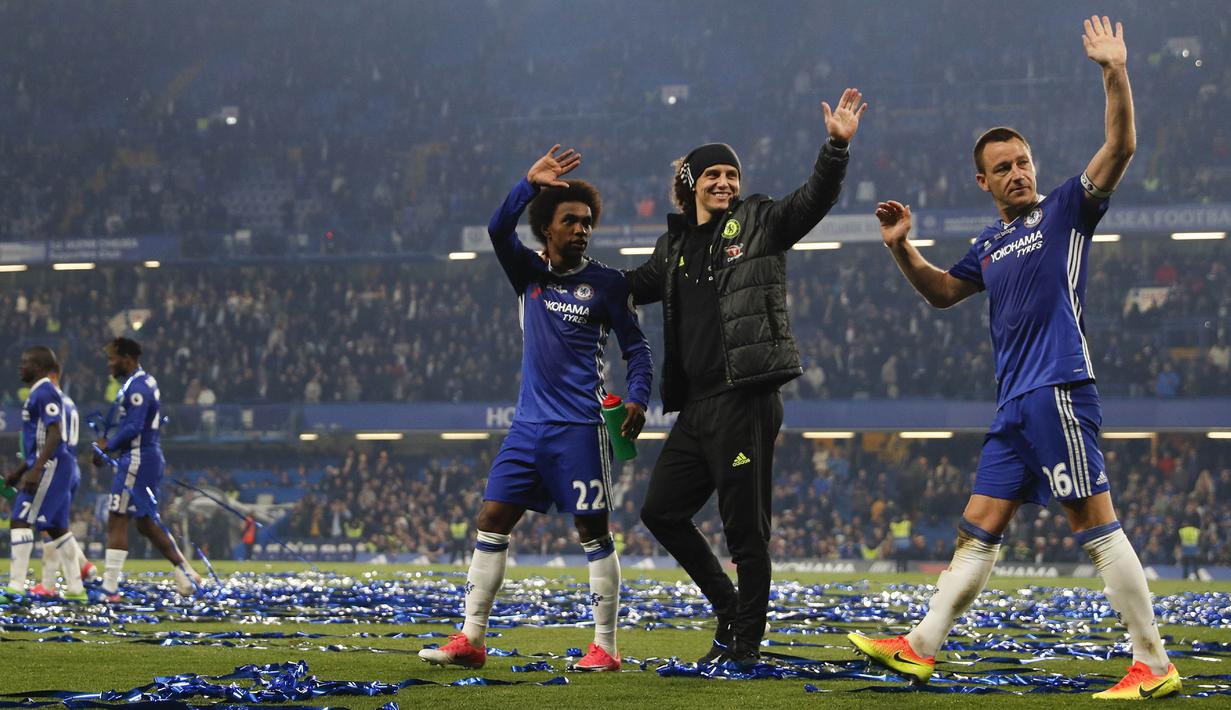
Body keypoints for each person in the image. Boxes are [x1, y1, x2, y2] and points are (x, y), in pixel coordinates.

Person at [848, 17, 1181, 700]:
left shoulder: (1063, 210)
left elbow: (1120, 145)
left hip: (1057, 388)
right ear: (983, 181)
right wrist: (900, 248)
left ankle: (1152, 661)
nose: (1016, 173)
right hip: (1014, 406)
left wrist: (1113, 71)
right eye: (1002, 169)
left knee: (1095, 525)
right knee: (976, 531)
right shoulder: (989, 245)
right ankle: (918, 646)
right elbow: (943, 293)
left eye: (1022, 161)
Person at [624, 88, 866, 667]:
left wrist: (835, 147)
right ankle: (730, 608)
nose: (725, 183)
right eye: (712, 174)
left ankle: (745, 648)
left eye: (731, 173)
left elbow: (812, 200)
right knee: (660, 511)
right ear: (690, 182)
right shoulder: (675, 246)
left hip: (745, 398)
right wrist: (568, 273)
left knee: (745, 533)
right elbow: (628, 287)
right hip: (696, 405)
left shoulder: (759, 221)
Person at [418, 146, 652, 672]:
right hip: (527, 426)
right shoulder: (528, 274)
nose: (581, 229)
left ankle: (606, 649)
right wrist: (527, 184)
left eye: (587, 222)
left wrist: (638, 396)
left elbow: (637, 348)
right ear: (547, 228)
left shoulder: (609, 284)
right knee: (492, 517)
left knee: (593, 531)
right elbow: (498, 229)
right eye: (570, 220)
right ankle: (472, 640)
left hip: (581, 427)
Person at [93, 337, 203, 600]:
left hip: (138, 457)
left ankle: (109, 589)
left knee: (117, 518)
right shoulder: (143, 382)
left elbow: (133, 427)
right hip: (146, 456)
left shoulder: (138, 387)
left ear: (127, 358)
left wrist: (107, 446)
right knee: (144, 523)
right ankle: (186, 571)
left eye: (112, 359)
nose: (109, 364)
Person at [2, 347, 89, 602]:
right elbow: (37, 441)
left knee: (19, 520)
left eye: (25, 362)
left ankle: (16, 587)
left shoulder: (45, 391)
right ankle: (76, 588)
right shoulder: (41, 392)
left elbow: (54, 433)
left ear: (39, 367)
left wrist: (36, 469)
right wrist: (19, 472)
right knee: (57, 528)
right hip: (56, 464)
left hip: (51, 465)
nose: (21, 367)